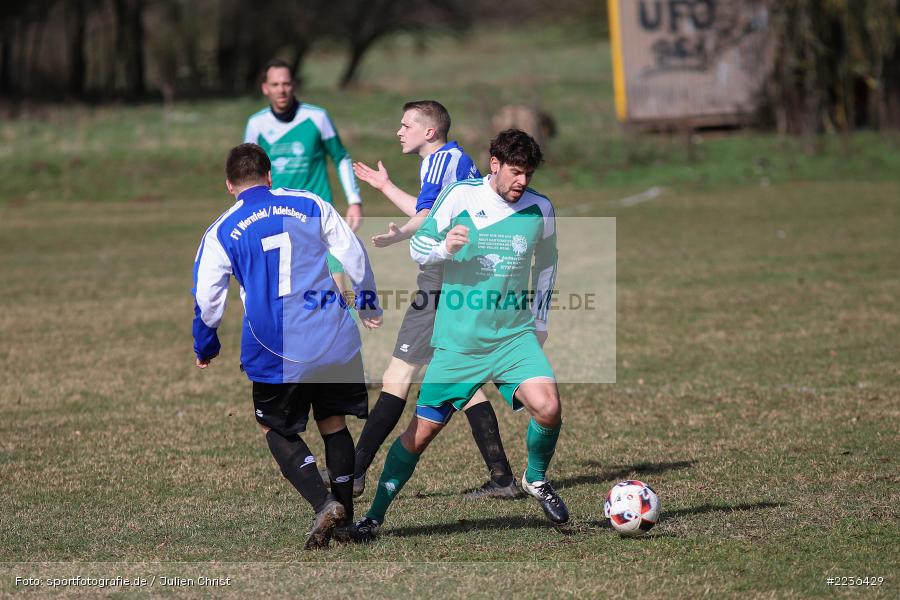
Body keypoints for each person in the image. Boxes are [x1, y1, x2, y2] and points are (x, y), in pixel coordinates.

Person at [354, 129, 566, 540]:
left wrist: (540, 322)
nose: (522, 182)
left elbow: (547, 265)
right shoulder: (461, 196)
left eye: (528, 174)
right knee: (420, 435)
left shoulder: (541, 208)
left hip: (512, 336)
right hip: (460, 343)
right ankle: (374, 517)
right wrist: (445, 249)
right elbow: (420, 247)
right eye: (516, 172)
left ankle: (535, 479)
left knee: (549, 407)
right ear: (495, 164)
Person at [192, 143, 382, 549]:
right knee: (333, 422)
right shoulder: (309, 203)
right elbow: (352, 252)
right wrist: (366, 299)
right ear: (270, 176)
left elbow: (209, 298)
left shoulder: (222, 229)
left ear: (230, 186)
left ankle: (324, 502)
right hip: (332, 335)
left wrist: (205, 342)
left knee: (273, 425)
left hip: (274, 347)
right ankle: (345, 523)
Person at [351, 100, 520, 500]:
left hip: (443, 277)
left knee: (398, 375)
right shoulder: (451, 160)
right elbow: (433, 212)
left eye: (405, 124)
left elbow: (427, 221)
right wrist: (387, 189)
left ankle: (353, 471)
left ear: (429, 132)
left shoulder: (440, 161)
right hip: (461, 276)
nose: (399, 131)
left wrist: (402, 234)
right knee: (462, 380)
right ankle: (502, 478)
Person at [244, 58, 363, 286]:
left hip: (317, 215)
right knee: (286, 294)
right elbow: (248, 172)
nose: (281, 90)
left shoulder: (317, 118)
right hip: (275, 216)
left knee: (335, 290)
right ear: (265, 88)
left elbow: (341, 158)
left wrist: (354, 200)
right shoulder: (256, 124)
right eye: (276, 84)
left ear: (294, 86)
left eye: (286, 84)